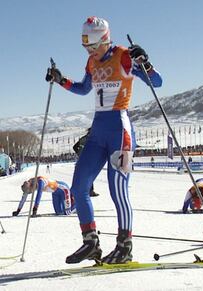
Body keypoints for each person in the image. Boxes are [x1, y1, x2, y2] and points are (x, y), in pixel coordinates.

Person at [45, 16, 162, 264]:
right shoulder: (91, 62)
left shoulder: (124, 56)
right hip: (98, 131)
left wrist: (146, 63)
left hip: (120, 130)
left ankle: (125, 246)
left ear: (105, 39)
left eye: (93, 46)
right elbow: (84, 88)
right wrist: (60, 79)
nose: (90, 51)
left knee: (118, 190)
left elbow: (157, 82)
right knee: (80, 186)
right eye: (86, 47)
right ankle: (91, 243)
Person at [73, 128, 99, 197]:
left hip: (82, 159)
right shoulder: (92, 139)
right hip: (89, 159)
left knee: (82, 175)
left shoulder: (82, 139)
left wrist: (79, 154)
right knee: (89, 175)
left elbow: (74, 147)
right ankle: (90, 191)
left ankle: (79, 190)